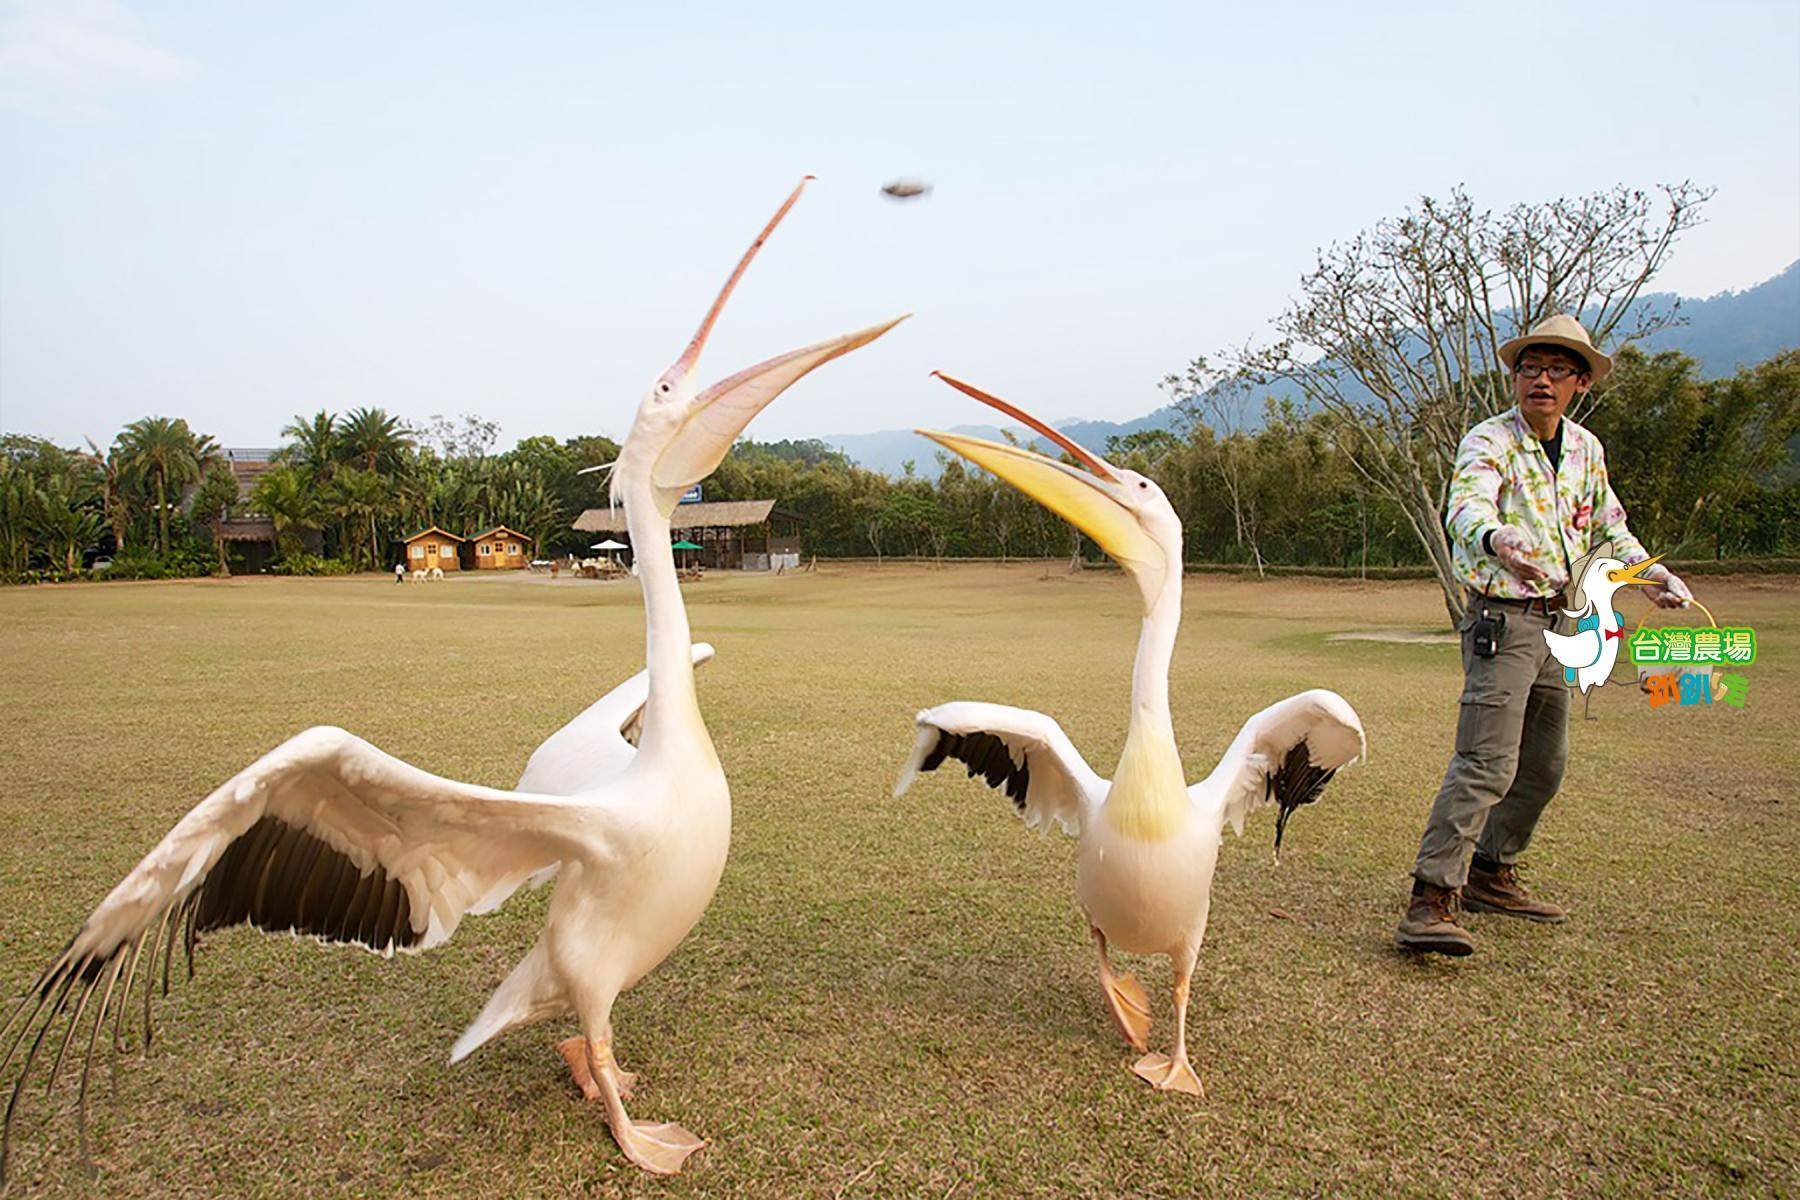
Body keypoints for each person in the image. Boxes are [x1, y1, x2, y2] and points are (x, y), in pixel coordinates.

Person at [1396, 314, 1693, 956]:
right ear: (1516, 377)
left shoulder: (1586, 451)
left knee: (1543, 766)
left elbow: (1611, 532)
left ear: (1580, 382)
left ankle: (1491, 871)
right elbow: (1467, 506)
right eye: (1530, 367)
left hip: (1563, 621)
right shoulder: (1488, 441)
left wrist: (1654, 575)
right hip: (1503, 620)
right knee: (1486, 761)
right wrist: (1498, 538)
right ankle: (1430, 899)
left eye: (1558, 369)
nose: (1541, 379)